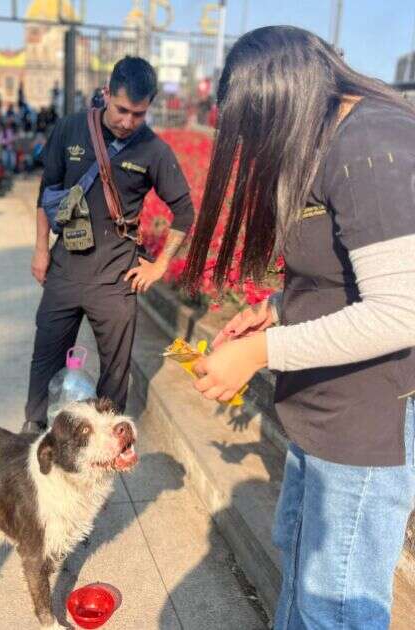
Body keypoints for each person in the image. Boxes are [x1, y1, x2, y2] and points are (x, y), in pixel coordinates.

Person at [185, 26, 415, 630]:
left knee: (334, 604)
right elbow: (341, 276)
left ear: (284, 99)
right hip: (323, 410)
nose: (255, 153)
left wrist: (266, 349)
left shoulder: (372, 142)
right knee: (303, 575)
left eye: (255, 130)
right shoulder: (327, 141)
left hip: (365, 427)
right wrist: (280, 310)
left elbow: (401, 310)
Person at [23, 56, 194, 432]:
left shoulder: (154, 150)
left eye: (139, 113)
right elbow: (46, 191)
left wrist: (159, 265)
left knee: (115, 373)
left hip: (116, 280)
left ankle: (106, 445)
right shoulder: (69, 129)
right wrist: (40, 250)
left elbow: (184, 211)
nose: (128, 122)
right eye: (121, 110)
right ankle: (34, 435)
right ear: (105, 95)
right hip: (64, 270)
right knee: (44, 360)